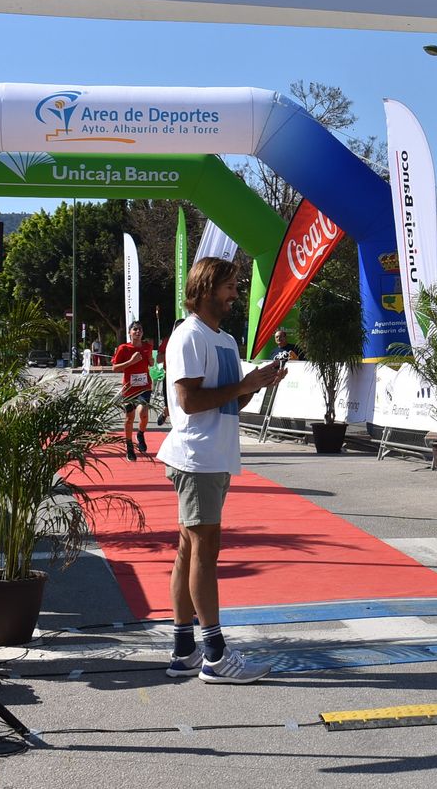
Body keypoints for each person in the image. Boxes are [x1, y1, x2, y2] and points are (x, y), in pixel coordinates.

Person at [161, 258, 287, 684]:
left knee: (189, 551)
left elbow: (231, 402)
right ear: (208, 287)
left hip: (214, 457)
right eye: (231, 287)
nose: (235, 294)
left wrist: (257, 383)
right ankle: (215, 653)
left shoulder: (227, 341)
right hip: (197, 458)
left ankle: (184, 652)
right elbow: (190, 402)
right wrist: (245, 385)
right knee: (204, 553)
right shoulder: (188, 336)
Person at [110, 321, 155, 461]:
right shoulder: (123, 348)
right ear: (129, 333)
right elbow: (115, 368)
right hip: (129, 389)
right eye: (135, 329)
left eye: (140, 329)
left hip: (144, 386)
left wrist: (150, 360)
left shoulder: (147, 346)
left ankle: (140, 434)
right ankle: (129, 446)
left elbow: (151, 363)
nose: (137, 332)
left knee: (143, 413)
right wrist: (130, 361)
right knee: (129, 418)